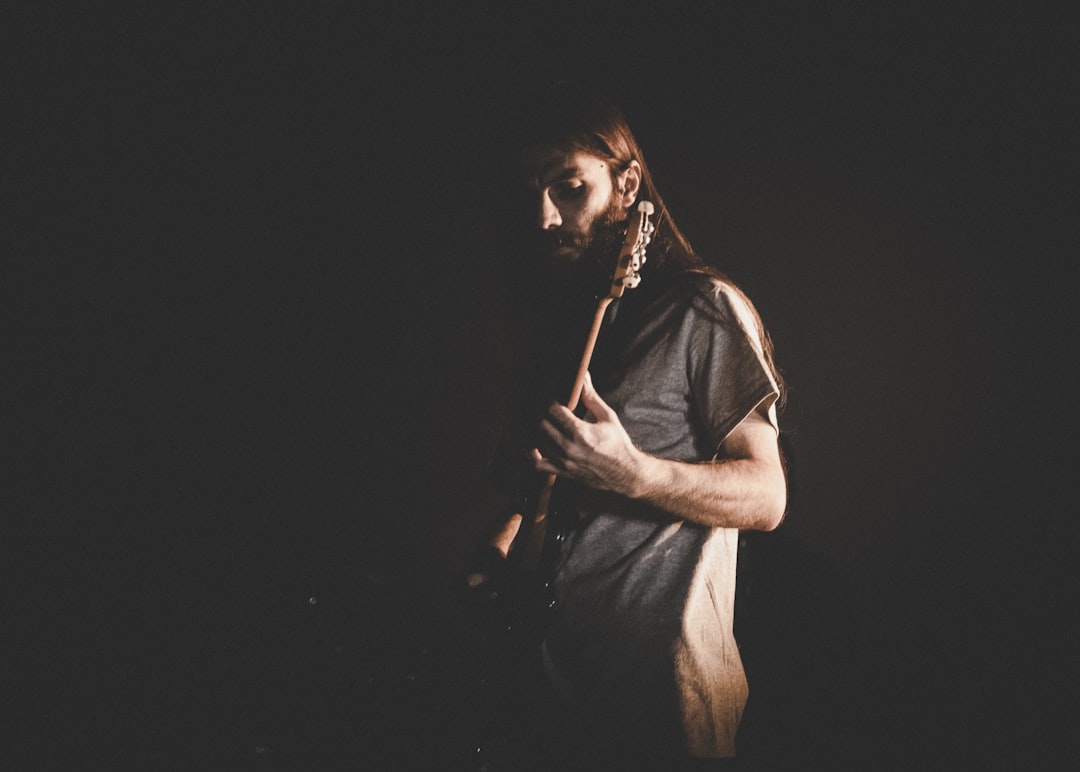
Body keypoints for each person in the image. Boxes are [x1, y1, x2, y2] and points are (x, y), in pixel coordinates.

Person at [468, 80, 788, 770]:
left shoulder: (704, 311)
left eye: (569, 187)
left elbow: (768, 496)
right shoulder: (556, 332)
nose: (545, 217)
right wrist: (492, 555)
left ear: (626, 184)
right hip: (544, 699)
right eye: (531, 192)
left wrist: (633, 472)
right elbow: (528, 498)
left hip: (659, 708)